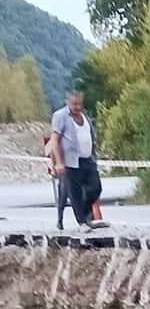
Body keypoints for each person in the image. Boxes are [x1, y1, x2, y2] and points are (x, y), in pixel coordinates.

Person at [50, 92, 104, 231]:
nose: (78, 107)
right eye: (75, 104)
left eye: (80, 104)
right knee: (74, 193)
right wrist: (58, 162)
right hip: (71, 162)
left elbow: (90, 136)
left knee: (95, 187)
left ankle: (84, 214)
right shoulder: (61, 116)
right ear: (68, 102)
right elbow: (55, 141)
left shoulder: (85, 116)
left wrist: (94, 155)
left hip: (87, 160)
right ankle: (82, 222)